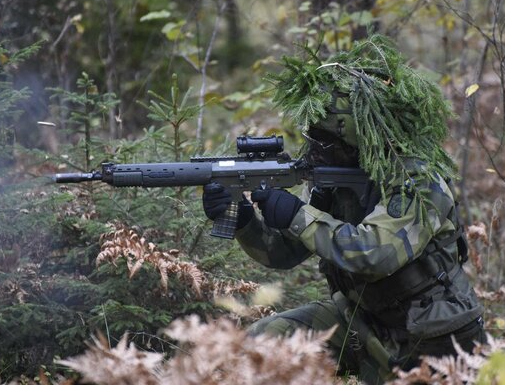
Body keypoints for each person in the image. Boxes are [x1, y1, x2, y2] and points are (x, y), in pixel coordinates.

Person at [202, 35, 485, 384]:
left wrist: (297, 214)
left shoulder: (419, 181)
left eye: (325, 142)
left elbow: (375, 253)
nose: (314, 150)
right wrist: (244, 220)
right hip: (365, 322)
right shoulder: (338, 178)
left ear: (357, 140)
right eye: (311, 138)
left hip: (433, 339)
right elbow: (285, 252)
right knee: (263, 342)